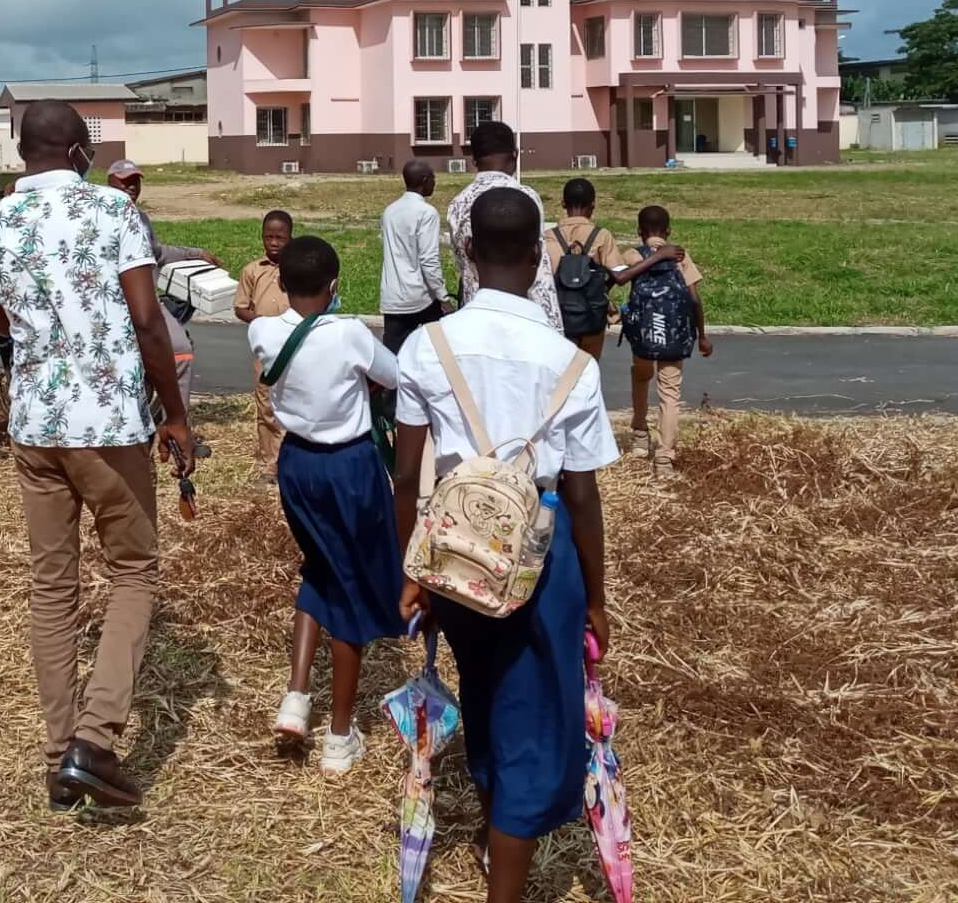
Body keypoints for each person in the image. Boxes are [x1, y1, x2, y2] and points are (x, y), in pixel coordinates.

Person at [0, 103, 196, 811]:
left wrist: (40, 342)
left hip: (36, 426)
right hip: (108, 425)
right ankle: (94, 742)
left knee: (52, 588)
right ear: (74, 149)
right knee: (133, 571)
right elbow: (148, 320)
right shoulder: (111, 212)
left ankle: (57, 753)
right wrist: (177, 414)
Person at [392, 187, 617, 903]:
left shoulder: (426, 346)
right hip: (539, 560)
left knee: (487, 693)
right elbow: (582, 496)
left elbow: (404, 474)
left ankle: (497, 850)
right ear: (536, 260)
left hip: (455, 555)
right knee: (532, 721)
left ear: (467, 255)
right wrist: (597, 596)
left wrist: (412, 572)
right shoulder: (572, 366)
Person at [247, 235, 404, 775]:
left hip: (296, 468)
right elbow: (395, 377)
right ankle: (339, 733)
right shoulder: (349, 333)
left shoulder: (263, 331)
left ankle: (296, 696)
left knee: (319, 567)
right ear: (335, 287)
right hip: (349, 467)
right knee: (352, 588)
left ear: (282, 283)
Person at [106, 159, 220, 406]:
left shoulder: (141, 219)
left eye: (136, 181)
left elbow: (157, 253)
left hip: (147, 302)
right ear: (110, 182)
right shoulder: (99, 218)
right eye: (125, 181)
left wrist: (196, 253)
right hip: (112, 304)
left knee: (181, 351)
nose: (132, 186)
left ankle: (176, 428)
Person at [543, 177, 683, 359]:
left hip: (557, 315)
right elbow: (621, 276)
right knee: (588, 370)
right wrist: (658, 255)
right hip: (590, 316)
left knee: (560, 372)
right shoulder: (601, 236)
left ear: (563, 203)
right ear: (593, 205)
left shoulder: (547, 236)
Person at [445, 121, 562, 332]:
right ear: (515, 155)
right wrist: (554, 329)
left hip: (476, 318)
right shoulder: (526, 197)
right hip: (523, 319)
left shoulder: (457, 204)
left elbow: (463, 265)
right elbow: (540, 273)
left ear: (473, 160)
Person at [623, 204, 711, 472]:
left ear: (639, 231)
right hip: (673, 334)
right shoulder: (680, 256)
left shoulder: (632, 254)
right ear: (669, 230)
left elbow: (619, 275)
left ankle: (639, 433)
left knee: (641, 376)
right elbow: (694, 298)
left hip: (644, 333)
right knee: (669, 393)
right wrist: (702, 335)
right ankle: (664, 456)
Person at [233, 209, 294, 480]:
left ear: (290, 238)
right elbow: (240, 308)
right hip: (265, 351)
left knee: (295, 402)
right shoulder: (252, 271)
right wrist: (260, 322)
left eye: (280, 237)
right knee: (266, 405)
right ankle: (271, 463)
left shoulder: (298, 269)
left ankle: (294, 460)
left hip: (295, 346)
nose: (274, 242)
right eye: (268, 236)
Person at [380, 161, 450, 354]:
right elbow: (428, 259)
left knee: (393, 360)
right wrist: (443, 297)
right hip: (420, 298)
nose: (435, 183)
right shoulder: (427, 213)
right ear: (425, 180)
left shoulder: (390, 211)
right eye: (433, 178)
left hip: (393, 299)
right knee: (442, 352)